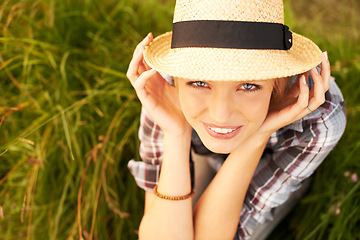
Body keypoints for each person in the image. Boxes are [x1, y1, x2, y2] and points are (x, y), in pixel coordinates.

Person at [126, 0, 347, 239]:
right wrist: (176, 133)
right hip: (205, 157)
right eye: (200, 83)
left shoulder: (319, 118)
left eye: (249, 85)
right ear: (177, 78)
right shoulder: (164, 87)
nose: (221, 115)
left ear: (275, 80)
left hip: (270, 168)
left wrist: (259, 135)